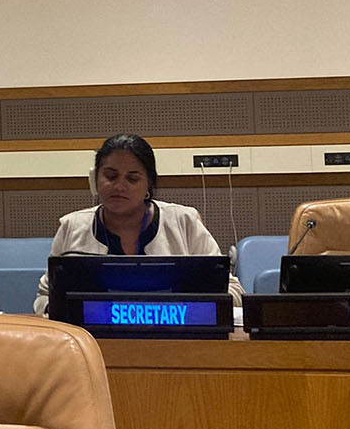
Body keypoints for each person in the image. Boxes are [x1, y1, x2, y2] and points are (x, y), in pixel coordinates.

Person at [33, 133, 244, 315]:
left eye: (132, 179)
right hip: (93, 340)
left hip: (175, 335)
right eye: (110, 176)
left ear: (148, 186)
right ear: (94, 180)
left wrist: (197, 305)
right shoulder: (72, 226)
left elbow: (233, 291)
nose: (119, 186)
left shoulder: (184, 221)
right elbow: (44, 298)